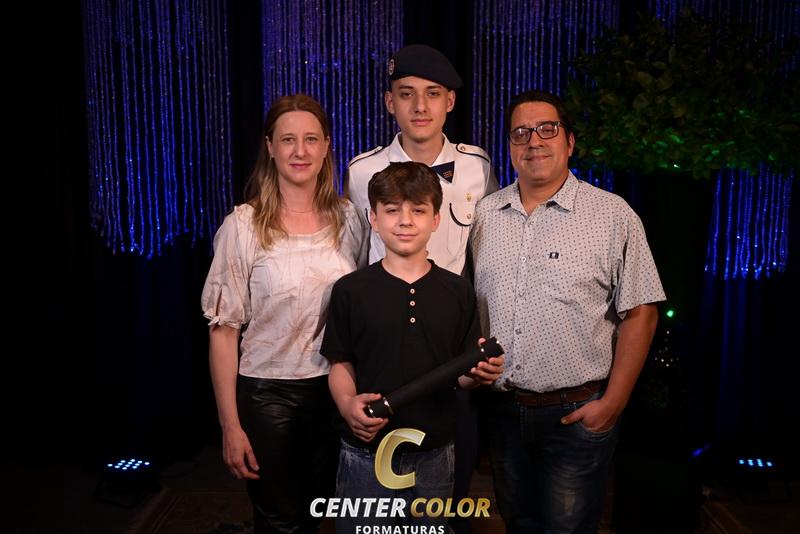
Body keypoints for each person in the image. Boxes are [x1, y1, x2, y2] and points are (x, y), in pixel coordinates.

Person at [470, 90, 666, 533]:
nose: (534, 141)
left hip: (575, 415)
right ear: (510, 145)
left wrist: (612, 403)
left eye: (547, 129)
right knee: (519, 525)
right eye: (521, 133)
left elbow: (642, 311)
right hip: (502, 413)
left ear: (570, 141)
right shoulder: (485, 215)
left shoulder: (612, 215)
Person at [345, 45, 498, 533]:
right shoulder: (362, 171)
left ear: (449, 102)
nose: (420, 106)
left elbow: (487, 252)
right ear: (389, 102)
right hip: (384, 345)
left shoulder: (477, 167)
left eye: (433, 94)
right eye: (406, 93)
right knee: (373, 499)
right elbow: (354, 256)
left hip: (449, 344)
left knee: (444, 492)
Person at [201, 94, 368, 534]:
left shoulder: (349, 220)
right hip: (267, 395)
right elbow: (224, 332)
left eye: (311, 139)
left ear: (326, 146)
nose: (300, 151)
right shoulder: (243, 226)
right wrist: (230, 426)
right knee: (280, 523)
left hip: (334, 390)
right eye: (288, 139)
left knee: (323, 516)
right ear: (270, 147)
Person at [321, 161, 504, 533]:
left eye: (418, 210)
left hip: (434, 451)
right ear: (373, 219)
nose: (405, 221)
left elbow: (462, 377)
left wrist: (479, 375)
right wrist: (346, 403)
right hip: (366, 451)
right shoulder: (351, 290)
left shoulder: (457, 291)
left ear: (436, 219)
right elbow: (340, 363)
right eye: (392, 210)